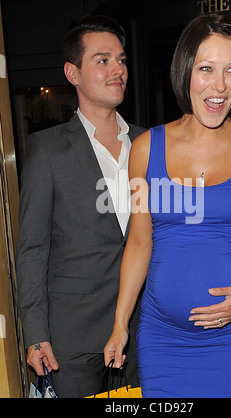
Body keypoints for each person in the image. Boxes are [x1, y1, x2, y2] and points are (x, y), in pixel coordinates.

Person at [104, 13, 231, 398]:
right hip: (162, 341)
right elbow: (139, 242)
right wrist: (120, 324)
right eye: (206, 69)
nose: (220, 85)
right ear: (185, 70)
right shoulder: (145, 148)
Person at [16, 14, 145, 398]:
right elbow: (33, 250)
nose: (117, 70)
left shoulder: (150, 143)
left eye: (121, 60)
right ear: (72, 73)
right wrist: (36, 333)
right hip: (72, 336)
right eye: (102, 60)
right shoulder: (47, 149)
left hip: (143, 328)